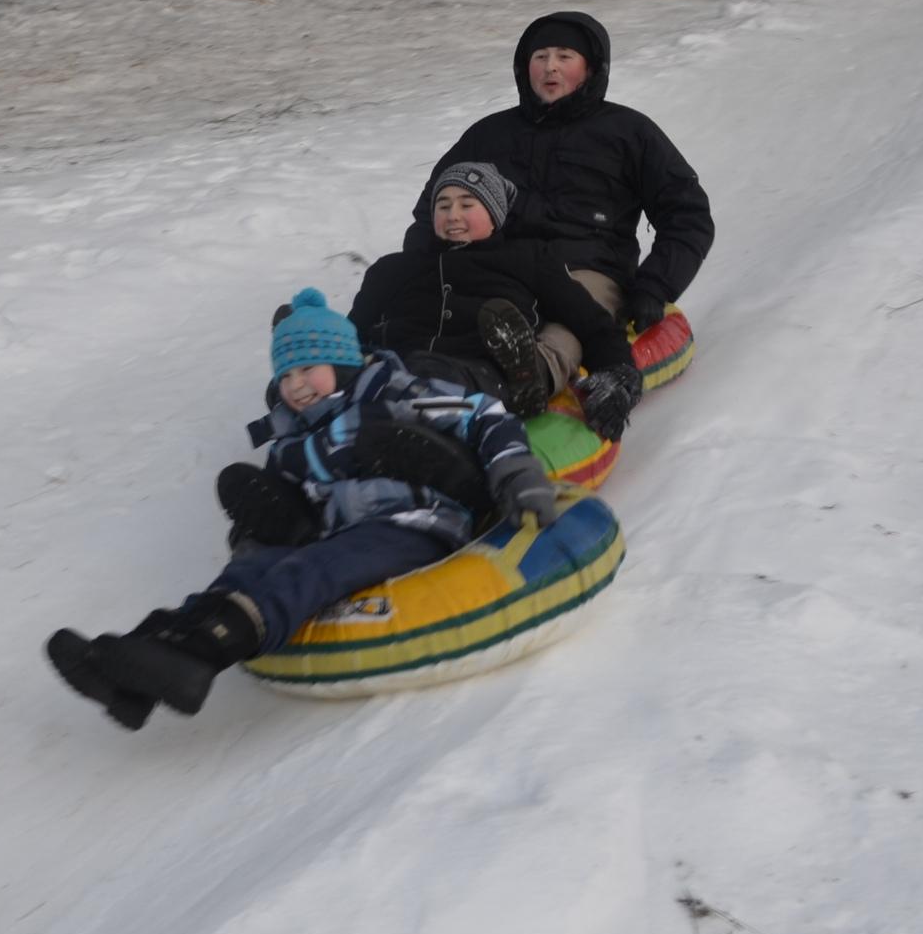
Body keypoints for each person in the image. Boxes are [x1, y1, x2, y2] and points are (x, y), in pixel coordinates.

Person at [45, 289, 558, 731]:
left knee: (311, 569)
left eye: (307, 368)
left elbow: (483, 414)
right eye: (285, 373)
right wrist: (257, 535)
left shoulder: (393, 391)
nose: (295, 385)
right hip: (336, 531)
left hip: (415, 522)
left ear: (343, 360)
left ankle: (202, 652)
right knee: (253, 565)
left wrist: (515, 472)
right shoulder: (290, 437)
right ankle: (137, 668)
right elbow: (286, 496)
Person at [404, 11, 711, 408]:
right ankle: (398, 372)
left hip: (586, 268)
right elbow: (433, 208)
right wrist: (419, 270)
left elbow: (687, 215)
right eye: (540, 56)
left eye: (565, 56)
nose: (550, 66)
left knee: (571, 319)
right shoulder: (489, 135)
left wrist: (655, 286)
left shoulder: (629, 133)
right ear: (524, 67)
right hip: (497, 264)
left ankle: (530, 376)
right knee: (453, 312)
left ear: (590, 67)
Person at [349, 161, 644, 441]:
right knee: (377, 375)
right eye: (443, 205)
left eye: (467, 205)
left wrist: (617, 373)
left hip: (482, 367)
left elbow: (589, 320)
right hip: (396, 364)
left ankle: (521, 385)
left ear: (494, 215)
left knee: (428, 376)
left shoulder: (526, 259)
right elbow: (354, 330)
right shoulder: (392, 269)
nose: (453, 215)